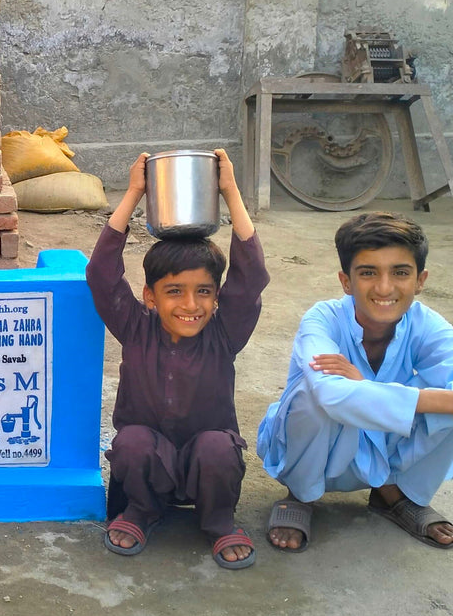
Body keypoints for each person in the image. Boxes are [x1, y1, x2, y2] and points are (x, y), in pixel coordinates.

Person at [85, 149, 269, 569]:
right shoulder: (135, 328)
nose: (191, 304)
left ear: (217, 296)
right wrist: (134, 193)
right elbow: (101, 274)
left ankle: (219, 521)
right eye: (174, 292)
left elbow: (251, 277)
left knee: (218, 447)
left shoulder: (224, 334)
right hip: (148, 466)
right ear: (149, 297)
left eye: (204, 291)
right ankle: (141, 511)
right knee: (131, 441)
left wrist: (230, 191)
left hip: (210, 469)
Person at [258, 211, 453, 551]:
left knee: (440, 401)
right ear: (346, 281)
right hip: (323, 449)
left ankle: (393, 493)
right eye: (367, 273)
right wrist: (405, 396)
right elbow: (330, 395)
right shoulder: (323, 318)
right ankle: (300, 495)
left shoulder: (428, 326)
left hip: (381, 448)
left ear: (420, 280)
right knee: (313, 394)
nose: (384, 287)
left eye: (400, 273)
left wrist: (363, 383)